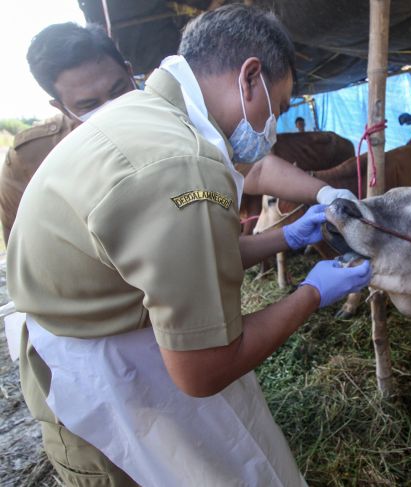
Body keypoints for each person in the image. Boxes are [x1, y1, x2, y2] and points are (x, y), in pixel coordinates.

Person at [7, 5, 369, 486]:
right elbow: (203, 371)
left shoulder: (153, 115)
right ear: (250, 78)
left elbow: (178, 265)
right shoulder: (183, 167)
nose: (273, 128)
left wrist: (282, 236)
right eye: (277, 109)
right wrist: (311, 293)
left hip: (110, 331)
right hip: (105, 382)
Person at [0, 22, 136, 245]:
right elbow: (24, 250)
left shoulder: (179, 113)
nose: (111, 108)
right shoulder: (30, 158)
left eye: (118, 90)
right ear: (61, 107)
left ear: (129, 72)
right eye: (89, 104)